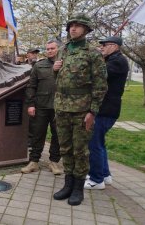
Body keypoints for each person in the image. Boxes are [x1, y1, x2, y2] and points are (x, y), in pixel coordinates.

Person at [52, 13, 107, 206]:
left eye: (77, 26)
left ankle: (78, 188)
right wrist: (55, 70)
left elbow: (100, 85)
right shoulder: (63, 50)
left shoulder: (93, 53)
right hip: (62, 107)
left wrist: (93, 111)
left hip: (82, 110)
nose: (73, 29)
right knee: (65, 147)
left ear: (86, 29)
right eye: (71, 26)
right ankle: (68, 184)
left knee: (80, 150)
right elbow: (58, 81)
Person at [85, 36, 128, 190]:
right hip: (106, 108)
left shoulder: (118, 62)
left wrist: (95, 57)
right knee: (99, 143)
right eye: (101, 45)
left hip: (105, 109)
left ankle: (96, 180)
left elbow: (98, 74)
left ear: (115, 46)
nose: (102, 47)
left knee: (94, 144)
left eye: (105, 45)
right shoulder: (112, 60)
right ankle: (105, 174)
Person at [21, 40, 62, 175]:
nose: (50, 50)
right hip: (41, 106)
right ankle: (34, 161)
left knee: (57, 135)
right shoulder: (39, 65)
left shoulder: (65, 64)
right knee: (37, 134)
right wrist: (31, 104)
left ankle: (54, 162)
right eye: (48, 48)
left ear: (58, 49)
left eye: (52, 48)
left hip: (59, 106)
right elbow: (31, 86)